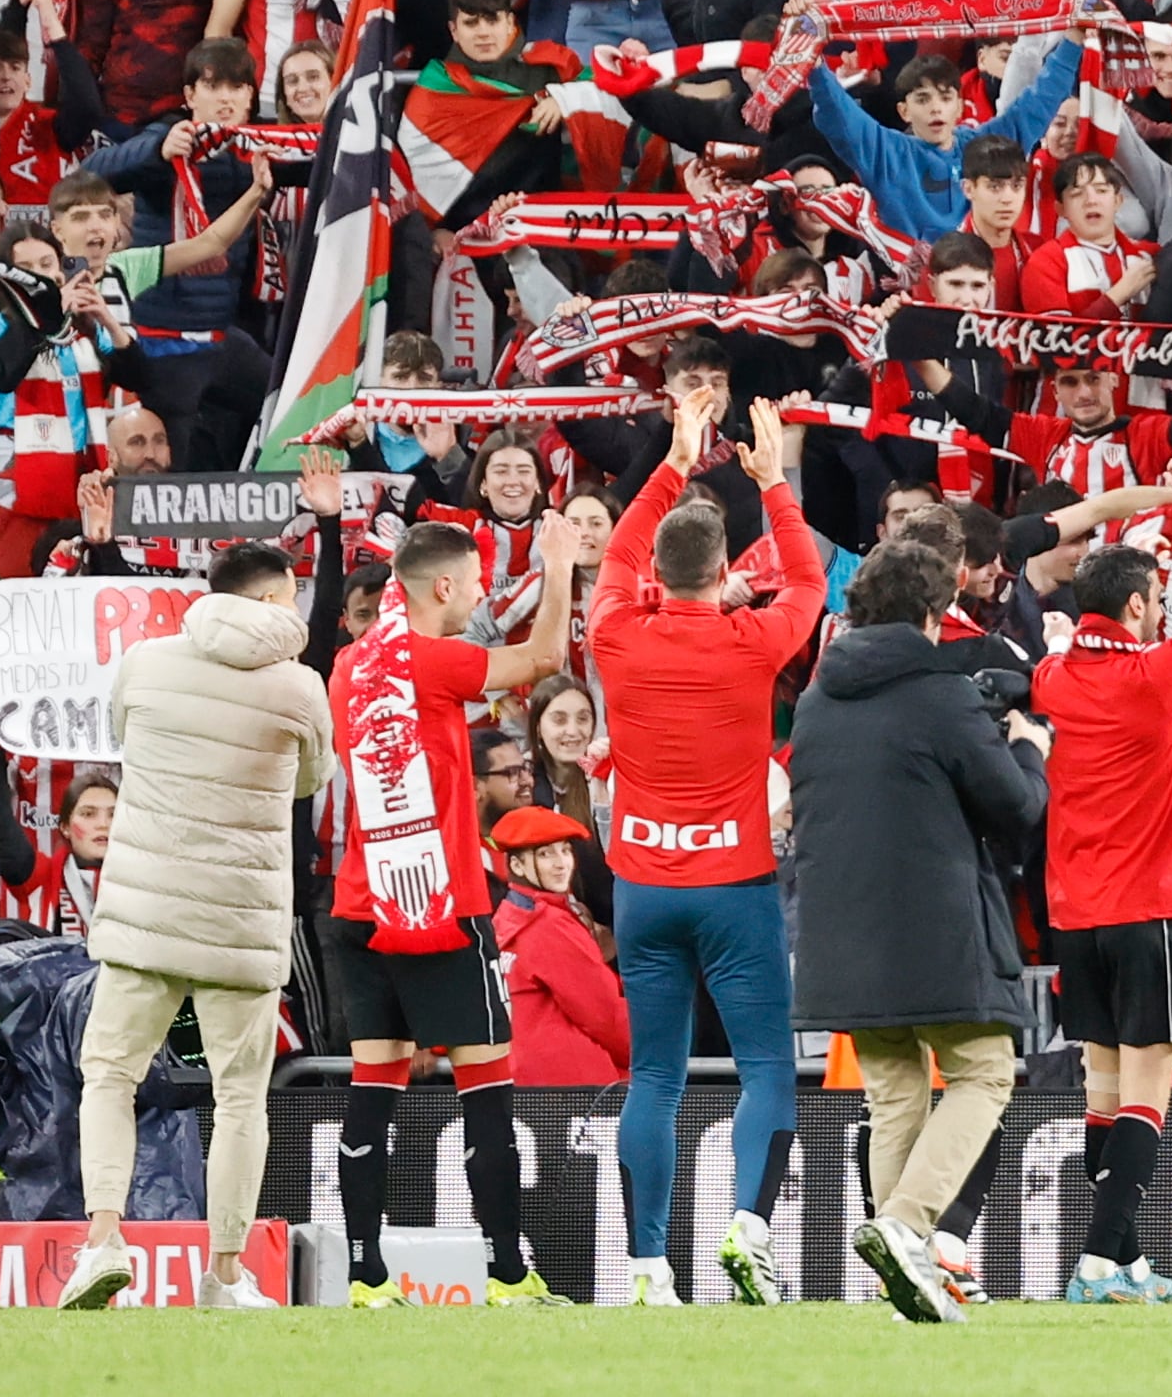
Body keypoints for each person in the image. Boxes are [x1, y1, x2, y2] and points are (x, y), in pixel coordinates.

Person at [586, 378, 825, 1307]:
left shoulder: (614, 632)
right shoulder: (752, 641)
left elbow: (614, 554)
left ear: (658, 569)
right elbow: (807, 580)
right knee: (766, 1067)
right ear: (724, 565)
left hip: (642, 883)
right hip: (735, 882)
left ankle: (647, 1269)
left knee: (654, 1076)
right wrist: (772, 481)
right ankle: (745, 1230)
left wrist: (677, 460)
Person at [56, 534, 326, 1313]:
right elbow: (311, 779)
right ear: (275, 600)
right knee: (241, 1101)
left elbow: (124, 737)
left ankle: (103, 1242)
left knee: (108, 1077)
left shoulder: (145, 660)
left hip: (146, 911)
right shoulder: (300, 687)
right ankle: (225, 1276)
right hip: (239, 924)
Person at [788, 535, 1053, 1325]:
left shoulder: (813, 696)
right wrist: (1030, 751)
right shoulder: (941, 695)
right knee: (984, 1071)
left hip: (837, 926)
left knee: (896, 1089)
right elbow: (1015, 809)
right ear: (936, 615)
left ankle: (899, 1280)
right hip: (930, 923)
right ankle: (907, 1228)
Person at [323, 515, 584, 1306]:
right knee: (485, 1088)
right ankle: (507, 1273)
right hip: (441, 903)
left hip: (363, 903)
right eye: (472, 583)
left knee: (375, 1082)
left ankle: (366, 1277)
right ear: (443, 586)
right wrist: (560, 564)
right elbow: (543, 660)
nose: (478, 594)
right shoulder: (431, 662)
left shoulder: (350, 666)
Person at [1034, 458, 1172, 1304]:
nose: (1163, 613)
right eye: (1157, 602)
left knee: (1101, 1084)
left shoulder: (1055, 679)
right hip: (1151, 907)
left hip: (1078, 914)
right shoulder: (1153, 676)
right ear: (1135, 609)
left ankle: (1122, 1262)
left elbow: (1061, 647)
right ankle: (1096, 1262)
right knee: (1149, 1082)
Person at [487, 810, 628, 1088]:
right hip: (579, 1087)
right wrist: (650, 1059)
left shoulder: (505, 918)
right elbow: (605, 1016)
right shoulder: (550, 925)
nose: (562, 863)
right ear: (516, 865)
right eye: (545, 854)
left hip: (525, 1079)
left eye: (565, 851)